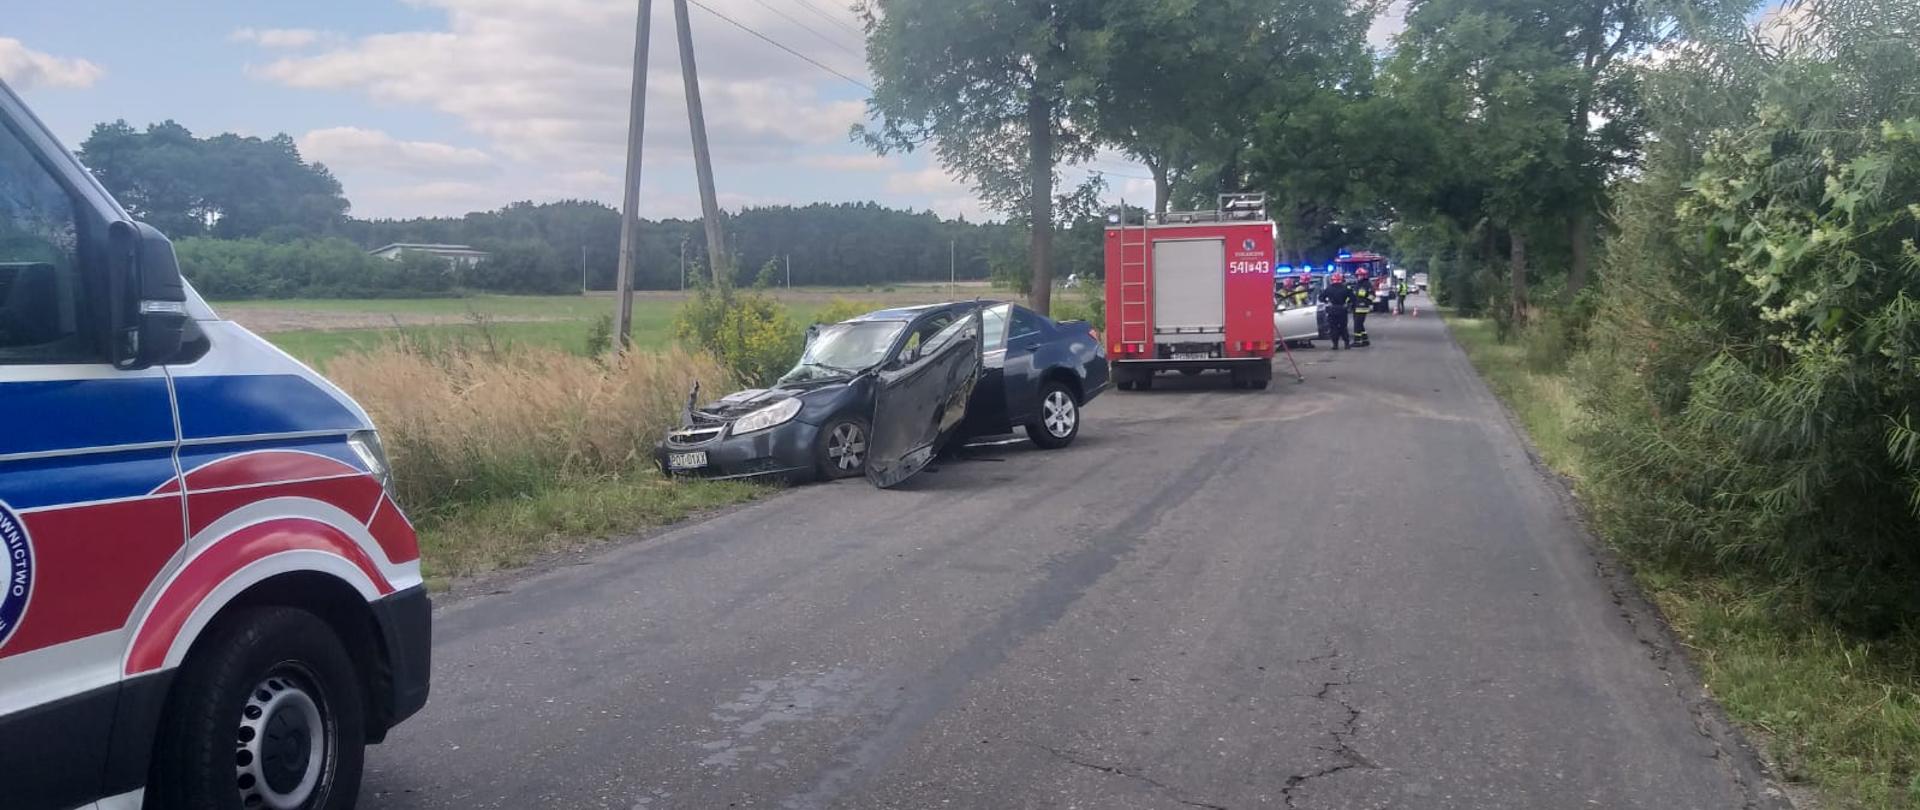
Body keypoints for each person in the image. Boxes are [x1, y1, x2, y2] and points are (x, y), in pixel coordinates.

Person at [1318, 271, 1354, 349]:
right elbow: (1353, 298)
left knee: (1333, 328)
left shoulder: (1329, 288)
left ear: (1332, 280)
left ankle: (1335, 345)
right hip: (1342, 309)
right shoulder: (1346, 288)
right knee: (1343, 327)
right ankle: (1346, 344)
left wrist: (1327, 302)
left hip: (1332, 310)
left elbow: (1321, 297)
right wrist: (1347, 304)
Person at [1351, 267, 1374, 347]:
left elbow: (1372, 296)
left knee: (1357, 324)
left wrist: (1366, 300)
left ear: (1364, 276)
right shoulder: (1357, 284)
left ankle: (1357, 341)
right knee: (1360, 324)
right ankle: (1365, 340)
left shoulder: (1367, 284)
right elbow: (1355, 294)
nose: (1359, 277)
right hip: (1356, 306)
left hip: (1362, 307)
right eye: (1358, 275)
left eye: (1360, 275)